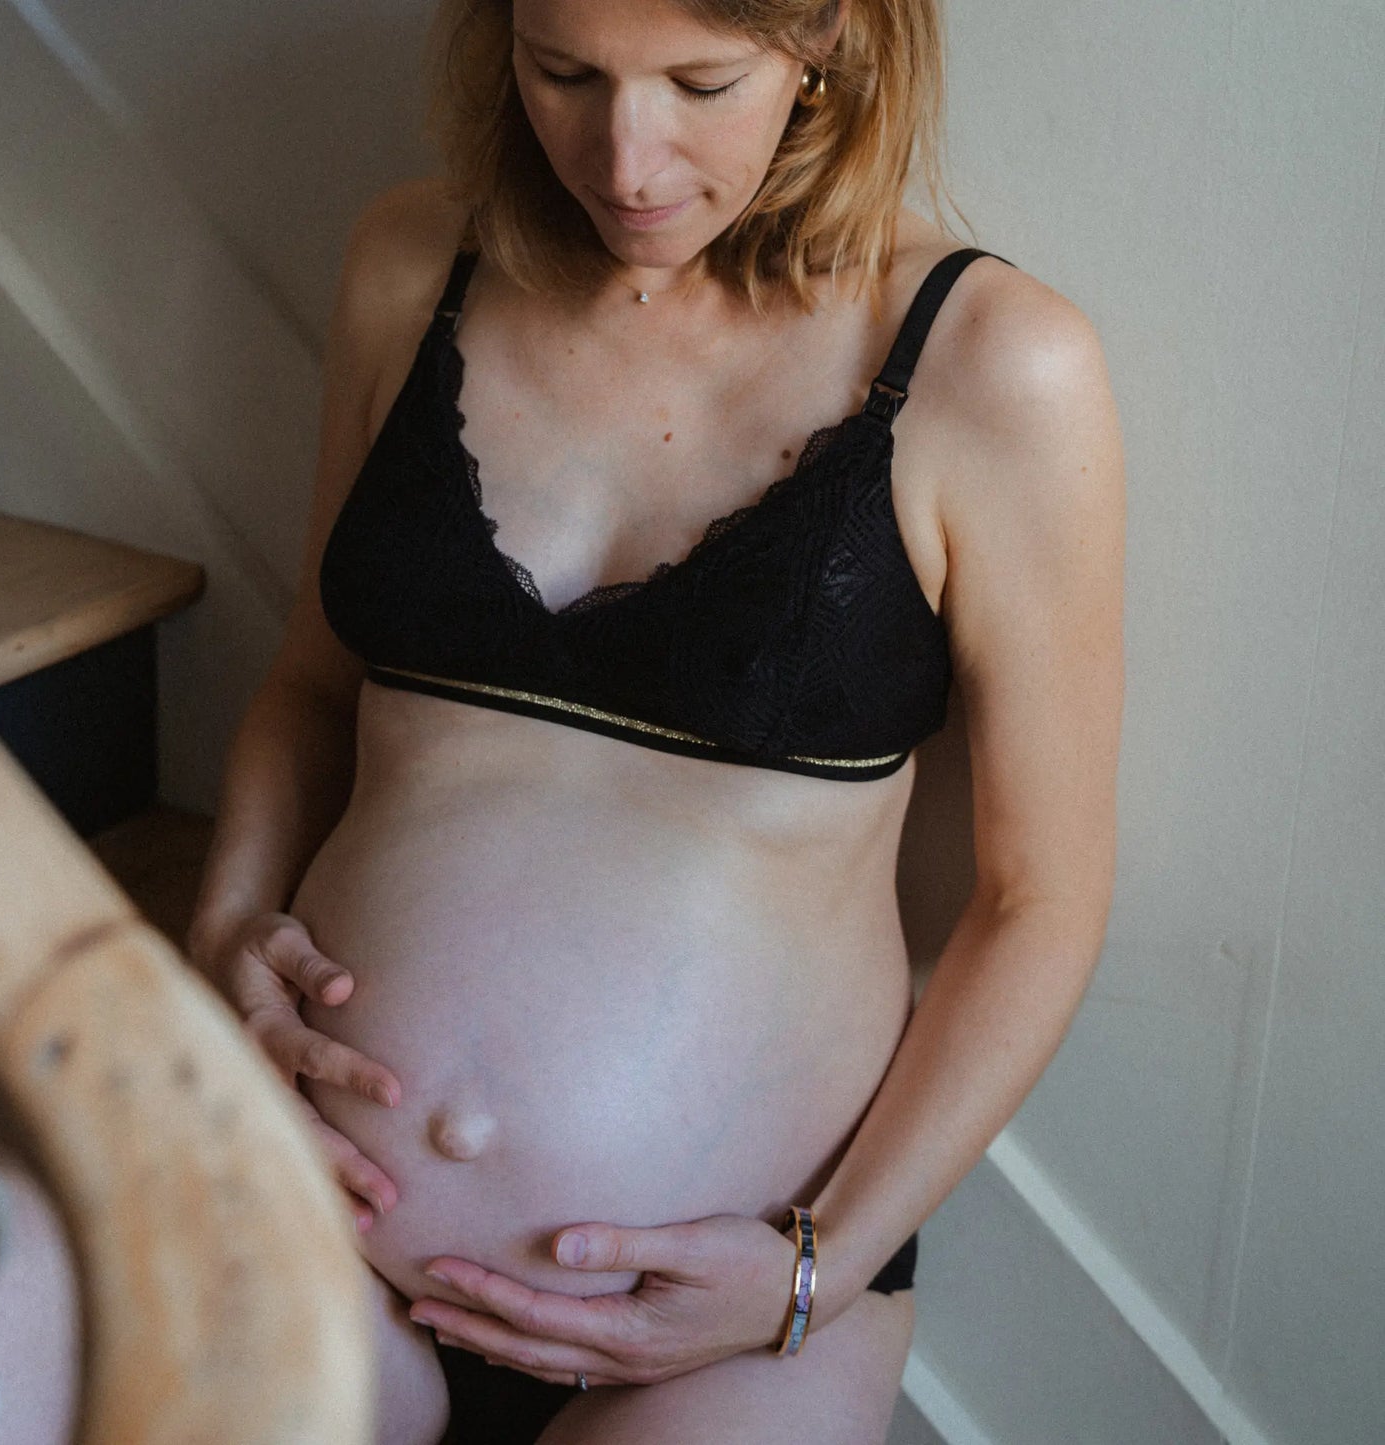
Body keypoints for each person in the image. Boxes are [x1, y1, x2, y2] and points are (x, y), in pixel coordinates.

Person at [186, 0, 1125, 1439]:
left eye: (700, 84)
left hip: (724, 1326)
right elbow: (317, 683)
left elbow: (1038, 898)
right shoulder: (409, 262)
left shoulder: (991, 360)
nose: (625, 159)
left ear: (828, 43)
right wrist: (225, 934)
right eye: (564, 73)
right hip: (319, 1218)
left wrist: (816, 1268)